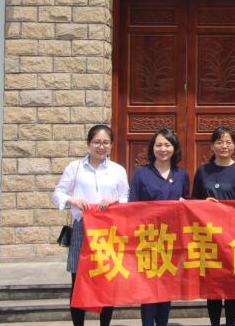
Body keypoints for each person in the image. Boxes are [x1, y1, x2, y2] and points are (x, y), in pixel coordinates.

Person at [53, 124, 129, 326]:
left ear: (111, 145)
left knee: (107, 279)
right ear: (88, 144)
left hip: (108, 231)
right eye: (96, 142)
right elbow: (58, 193)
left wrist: (114, 201)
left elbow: (126, 197)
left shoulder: (117, 170)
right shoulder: (75, 167)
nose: (101, 147)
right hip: (82, 228)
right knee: (79, 281)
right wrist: (72, 200)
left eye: (105, 142)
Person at [129, 128, 191, 326]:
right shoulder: (141, 174)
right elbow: (132, 206)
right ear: (152, 148)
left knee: (166, 285)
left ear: (174, 148)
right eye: (159, 145)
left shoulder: (181, 175)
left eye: (167, 145)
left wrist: (186, 203)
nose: (163, 149)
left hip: (171, 239)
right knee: (148, 287)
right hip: (147, 239)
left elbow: (188, 203)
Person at [192, 126, 235, 326]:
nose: (224, 146)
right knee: (213, 285)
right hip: (209, 236)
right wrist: (204, 204)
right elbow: (194, 201)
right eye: (219, 142)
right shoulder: (203, 171)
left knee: (231, 285)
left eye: (228, 142)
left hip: (233, 236)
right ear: (212, 145)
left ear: (234, 146)